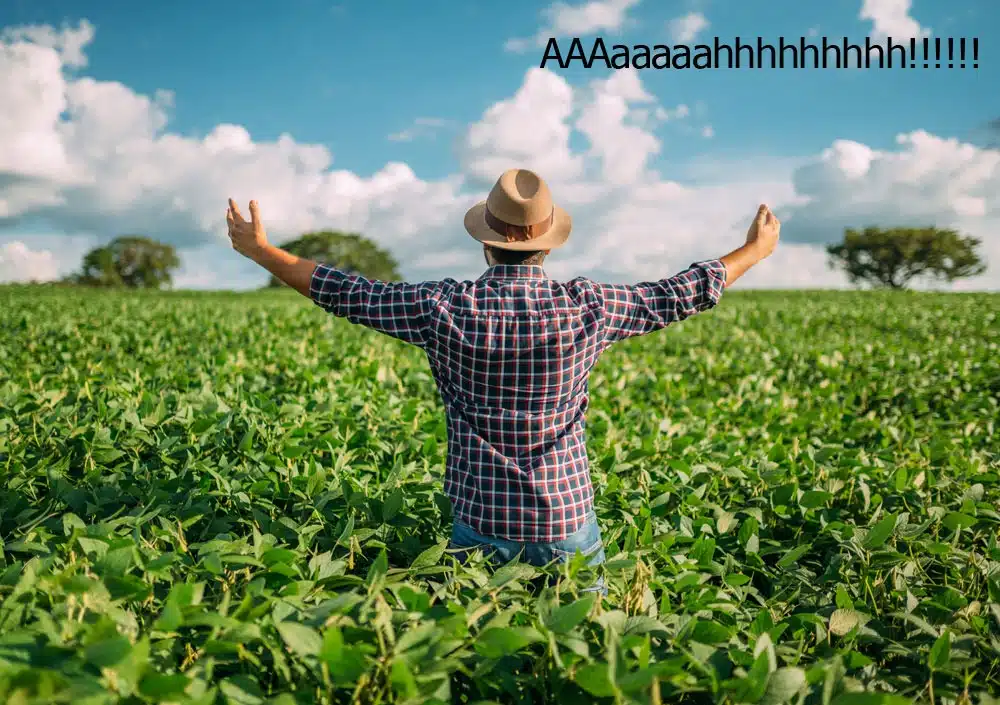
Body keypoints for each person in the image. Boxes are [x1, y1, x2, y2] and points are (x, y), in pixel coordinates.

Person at [225, 168, 780, 594]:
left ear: (487, 241)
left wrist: (261, 252)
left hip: (481, 521)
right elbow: (678, 292)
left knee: (480, 657)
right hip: (565, 517)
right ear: (547, 241)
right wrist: (754, 251)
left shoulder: (441, 306)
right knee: (583, 652)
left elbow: (345, 291)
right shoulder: (590, 306)